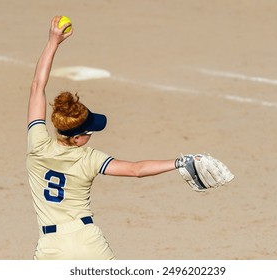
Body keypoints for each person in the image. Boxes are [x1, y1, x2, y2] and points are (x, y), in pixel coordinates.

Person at [26, 16, 178, 260]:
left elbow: (37, 87)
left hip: (51, 248)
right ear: (76, 138)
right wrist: (179, 162)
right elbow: (136, 170)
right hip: (89, 243)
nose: (90, 136)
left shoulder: (37, 143)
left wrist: (53, 42)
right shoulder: (90, 159)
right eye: (88, 133)